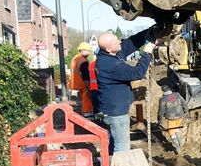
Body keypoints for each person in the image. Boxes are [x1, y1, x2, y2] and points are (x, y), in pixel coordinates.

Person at [96, 25, 166, 154]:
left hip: (111, 110)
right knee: (122, 147)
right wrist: (147, 52)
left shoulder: (110, 54)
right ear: (109, 48)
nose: (119, 42)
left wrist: (150, 31)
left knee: (115, 143)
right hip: (116, 113)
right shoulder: (110, 65)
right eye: (116, 42)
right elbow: (137, 73)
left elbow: (131, 42)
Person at [158, 85, 189, 153]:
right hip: (180, 115)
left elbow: (161, 111)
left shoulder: (163, 99)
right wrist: (186, 113)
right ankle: (180, 142)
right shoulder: (177, 94)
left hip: (171, 118)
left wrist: (159, 119)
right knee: (176, 129)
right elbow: (184, 103)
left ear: (163, 91)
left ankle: (177, 147)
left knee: (172, 133)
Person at [70, 42, 93, 118]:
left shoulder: (75, 58)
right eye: (88, 51)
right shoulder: (83, 61)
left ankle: (86, 116)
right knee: (87, 102)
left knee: (84, 102)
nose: (89, 53)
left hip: (77, 84)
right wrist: (89, 88)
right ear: (83, 50)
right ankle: (88, 119)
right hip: (83, 85)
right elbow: (85, 77)